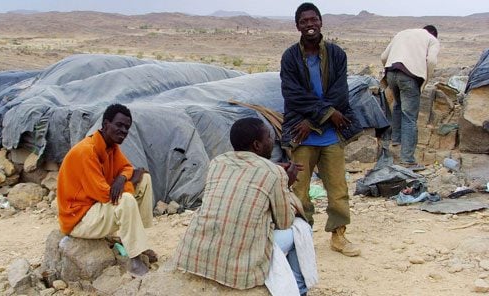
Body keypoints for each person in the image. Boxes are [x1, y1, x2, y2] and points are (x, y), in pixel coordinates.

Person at [175, 118, 316, 295]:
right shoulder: (273, 173)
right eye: (269, 137)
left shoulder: (217, 163)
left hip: (195, 257)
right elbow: (284, 222)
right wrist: (287, 184)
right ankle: (299, 289)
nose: (272, 141)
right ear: (257, 145)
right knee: (302, 229)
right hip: (239, 268)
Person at [280, 2, 362, 257]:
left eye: (313, 19)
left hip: (329, 136)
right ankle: (303, 239)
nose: (309, 25)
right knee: (300, 192)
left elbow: (339, 94)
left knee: (338, 190)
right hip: (302, 136)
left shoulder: (337, 55)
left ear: (320, 22)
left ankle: (338, 236)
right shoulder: (290, 57)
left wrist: (315, 120)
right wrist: (323, 116)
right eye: (304, 21)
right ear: (297, 26)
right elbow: (293, 95)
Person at [57, 103, 156, 276]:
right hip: (79, 220)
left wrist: (122, 178)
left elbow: (127, 167)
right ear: (105, 124)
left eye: (127, 127)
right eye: (119, 125)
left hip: (95, 209)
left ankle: (136, 243)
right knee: (125, 199)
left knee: (145, 179)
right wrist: (129, 181)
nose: (123, 130)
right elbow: (105, 195)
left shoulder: (111, 147)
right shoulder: (86, 152)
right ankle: (134, 260)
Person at [381, 25, 440, 171]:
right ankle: (407, 160)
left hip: (391, 72)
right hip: (409, 76)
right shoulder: (432, 39)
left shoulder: (402, 32)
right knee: (409, 117)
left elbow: (383, 57)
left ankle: (396, 140)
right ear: (434, 34)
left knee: (398, 105)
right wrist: (425, 78)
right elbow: (431, 61)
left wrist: (389, 70)